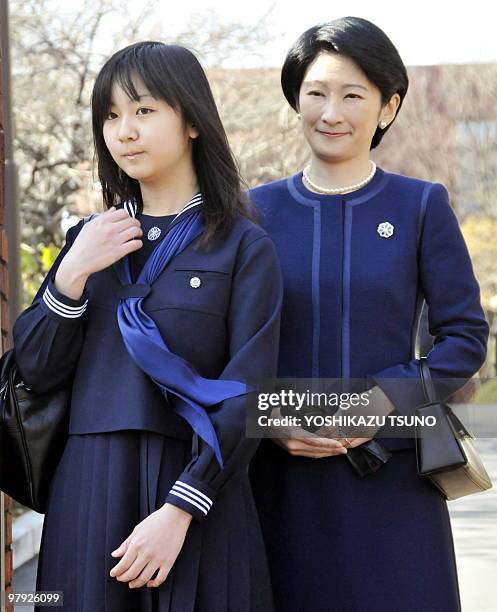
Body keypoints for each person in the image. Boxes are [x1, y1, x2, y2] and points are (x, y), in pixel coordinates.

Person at [13, 41, 281, 612]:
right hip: (86, 489)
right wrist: (74, 273)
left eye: (143, 110)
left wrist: (182, 508)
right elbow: (35, 368)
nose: (123, 131)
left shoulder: (242, 245)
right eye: (110, 116)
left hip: (196, 491)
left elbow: (249, 393)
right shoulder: (90, 238)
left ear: (190, 120)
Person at [248, 17, 489, 612]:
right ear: (296, 100)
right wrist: (269, 420)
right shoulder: (254, 211)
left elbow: (465, 337)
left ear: (388, 107)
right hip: (282, 481)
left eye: (353, 94)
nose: (332, 111)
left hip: (395, 476)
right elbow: (228, 346)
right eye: (316, 93)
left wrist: (385, 399)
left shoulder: (420, 205)